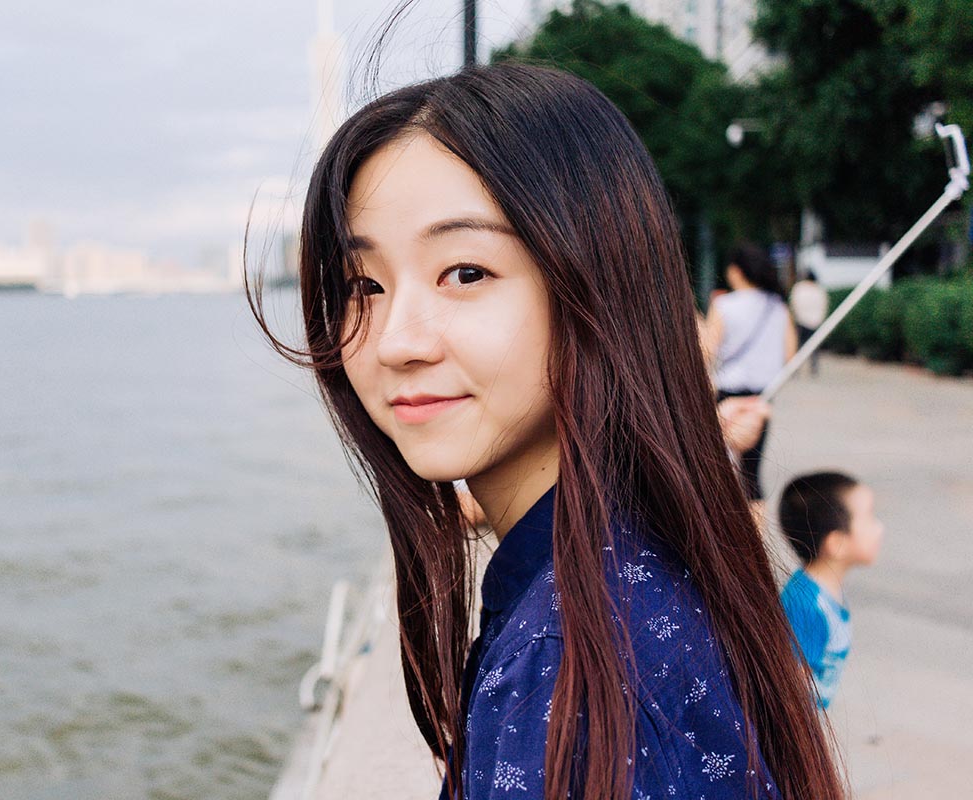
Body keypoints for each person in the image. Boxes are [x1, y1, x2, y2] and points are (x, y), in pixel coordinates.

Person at [250, 65, 841, 800]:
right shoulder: (634, 566)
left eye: (465, 272)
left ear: (597, 283)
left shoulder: (570, 663)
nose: (396, 340)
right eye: (363, 286)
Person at [702, 244, 798, 512]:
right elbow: (790, 356)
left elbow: (708, 351)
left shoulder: (724, 304)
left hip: (728, 394)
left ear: (736, 272)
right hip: (762, 397)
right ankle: (755, 541)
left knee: (721, 470)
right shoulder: (777, 306)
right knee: (751, 473)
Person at [778, 472, 884, 709]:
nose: (879, 528)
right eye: (869, 519)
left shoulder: (823, 591)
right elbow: (787, 692)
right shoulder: (807, 606)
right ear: (836, 544)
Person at [789, 270, 828, 376]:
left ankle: (795, 369)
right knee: (814, 347)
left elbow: (794, 303)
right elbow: (824, 305)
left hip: (801, 320)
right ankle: (814, 368)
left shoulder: (799, 288)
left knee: (798, 347)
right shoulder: (819, 289)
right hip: (816, 321)